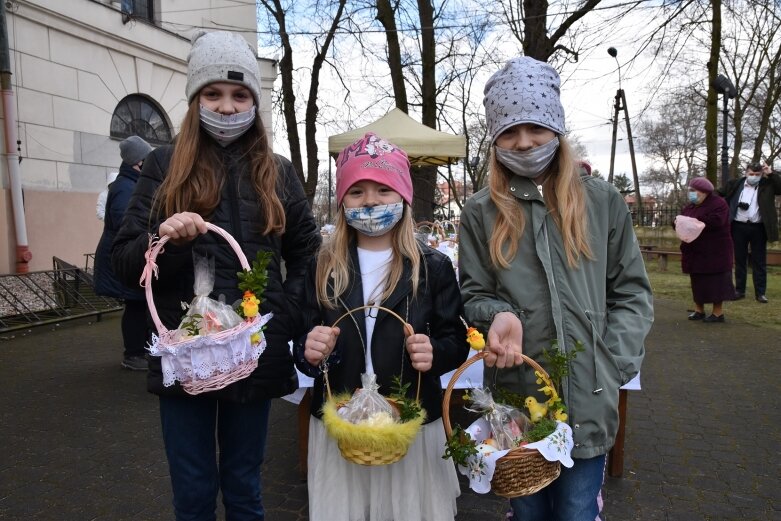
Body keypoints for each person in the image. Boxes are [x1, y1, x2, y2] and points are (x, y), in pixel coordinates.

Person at [111, 30, 320, 520]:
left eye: (239, 94)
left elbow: (308, 255)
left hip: (253, 353)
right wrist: (166, 242)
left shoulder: (278, 171)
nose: (227, 107)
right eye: (213, 94)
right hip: (189, 358)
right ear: (195, 100)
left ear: (254, 101)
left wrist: (282, 317)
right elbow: (123, 262)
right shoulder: (164, 166)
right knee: (193, 490)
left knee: (246, 488)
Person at [458, 56, 653, 521]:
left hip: (590, 394)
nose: (523, 142)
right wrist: (496, 315)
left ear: (556, 129)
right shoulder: (480, 212)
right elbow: (473, 294)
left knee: (576, 509)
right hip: (519, 397)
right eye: (508, 132)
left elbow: (631, 292)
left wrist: (613, 362)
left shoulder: (601, 201)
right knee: (527, 512)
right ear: (495, 140)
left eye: (534, 127)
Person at [293, 132, 468, 521]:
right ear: (342, 202)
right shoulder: (323, 265)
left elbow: (455, 339)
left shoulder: (431, 266)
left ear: (403, 198)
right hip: (342, 424)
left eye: (383, 190)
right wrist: (309, 350)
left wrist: (435, 353)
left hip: (409, 423)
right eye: (356, 191)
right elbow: (302, 344)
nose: (370, 201)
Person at [93, 136, 153, 370]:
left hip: (131, 254)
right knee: (136, 304)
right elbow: (123, 221)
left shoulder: (131, 184)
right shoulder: (125, 187)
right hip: (124, 257)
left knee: (140, 304)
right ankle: (133, 355)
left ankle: (142, 351)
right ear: (138, 162)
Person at [718, 160, 781, 303]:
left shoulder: (767, 185)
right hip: (738, 226)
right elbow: (719, 193)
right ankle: (739, 290)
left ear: (761, 175)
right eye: (751, 174)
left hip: (758, 227)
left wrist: (771, 173)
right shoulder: (735, 184)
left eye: (757, 174)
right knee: (740, 259)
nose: (753, 176)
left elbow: (780, 188)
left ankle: (760, 293)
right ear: (746, 173)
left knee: (759, 260)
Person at [675, 177, 735, 323]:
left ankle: (717, 313)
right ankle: (699, 310)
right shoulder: (690, 207)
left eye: (693, 191)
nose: (691, 194)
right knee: (697, 281)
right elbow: (682, 222)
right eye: (690, 191)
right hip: (696, 251)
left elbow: (717, 221)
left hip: (715, 251)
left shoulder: (719, 204)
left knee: (717, 282)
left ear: (703, 192)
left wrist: (694, 222)